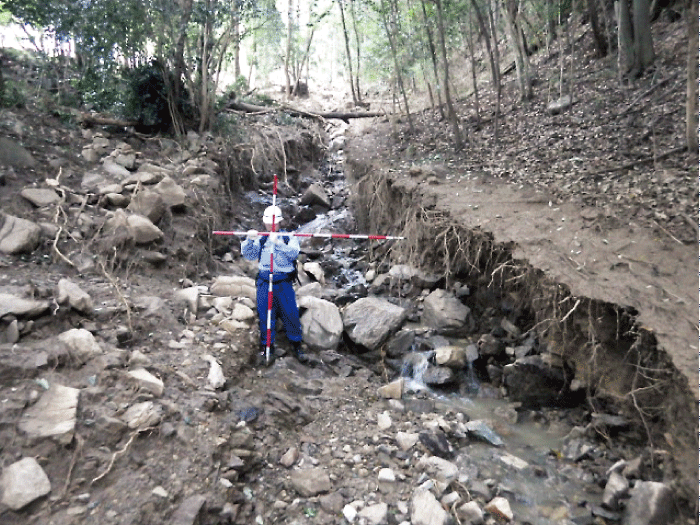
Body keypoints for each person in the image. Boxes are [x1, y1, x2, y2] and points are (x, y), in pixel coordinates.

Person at [241, 205, 306, 366]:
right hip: (264, 282)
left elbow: (293, 253)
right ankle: (267, 348)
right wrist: (249, 240)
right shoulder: (260, 238)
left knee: (291, 314)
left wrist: (278, 243)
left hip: (283, 283)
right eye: (269, 223)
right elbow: (249, 255)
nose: (271, 225)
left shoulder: (288, 237)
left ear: (280, 222)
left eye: (274, 222)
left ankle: (297, 346)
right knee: (265, 316)